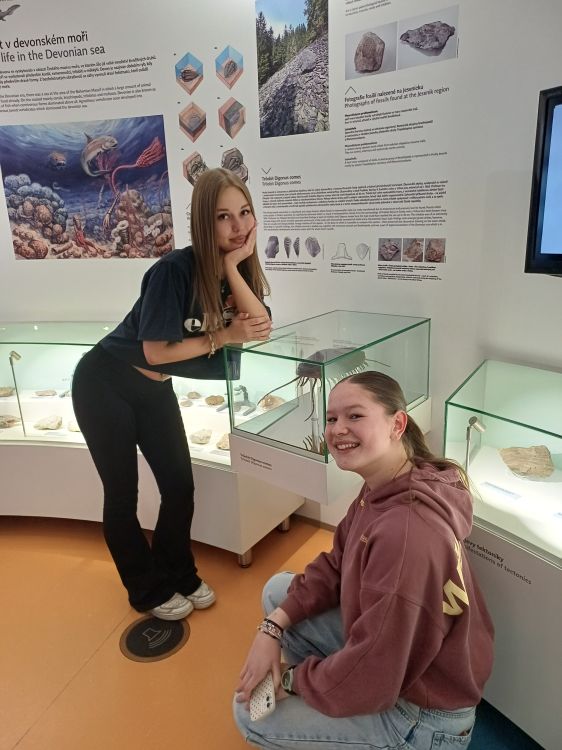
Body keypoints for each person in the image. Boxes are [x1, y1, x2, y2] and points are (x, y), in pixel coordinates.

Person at [234, 371, 494, 749]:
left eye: (355, 416)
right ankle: (333, 693)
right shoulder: (386, 486)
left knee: (249, 715)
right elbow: (336, 564)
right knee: (279, 592)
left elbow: (376, 670)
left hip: (421, 715)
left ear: (397, 424)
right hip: (402, 661)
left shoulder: (405, 533)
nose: (338, 429)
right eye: (331, 418)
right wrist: (270, 629)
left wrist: (291, 681)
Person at [72, 168, 271, 620]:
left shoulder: (234, 271)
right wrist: (224, 336)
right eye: (223, 216)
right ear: (203, 221)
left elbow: (260, 327)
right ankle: (145, 589)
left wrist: (231, 267)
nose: (238, 226)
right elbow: (156, 351)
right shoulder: (172, 271)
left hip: (155, 388)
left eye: (244, 213)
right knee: (122, 494)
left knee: (180, 485)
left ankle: (177, 571)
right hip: (105, 383)